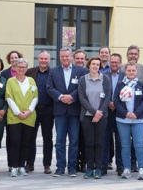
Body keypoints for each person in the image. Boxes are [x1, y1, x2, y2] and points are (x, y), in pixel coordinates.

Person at [47, 48, 84, 178]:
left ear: (72, 57)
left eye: (67, 56)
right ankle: (60, 168)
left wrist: (71, 97)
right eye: (62, 56)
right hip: (60, 110)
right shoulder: (53, 71)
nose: (65, 58)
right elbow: (49, 88)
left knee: (74, 141)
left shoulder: (80, 71)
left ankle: (72, 168)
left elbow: (82, 88)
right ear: (59, 57)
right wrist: (62, 96)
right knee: (59, 141)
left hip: (74, 110)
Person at [78, 56, 112, 178]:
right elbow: (82, 98)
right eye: (93, 64)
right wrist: (94, 112)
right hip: (87, 116)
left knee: (99, 143)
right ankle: (89, 168)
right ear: (89, 65)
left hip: (101, 116)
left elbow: (107, 96)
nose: (95, 66)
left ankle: (98, 168)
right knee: (89, 143)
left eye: (98, 64)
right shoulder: (83, 79)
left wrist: (99, 113)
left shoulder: (105, 79)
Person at [114, 62, 143, 180]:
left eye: (133, 70)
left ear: (136, 71)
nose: (131, 72)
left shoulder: (141, 85)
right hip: (123, 119)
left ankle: (141, 169)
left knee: (139, 145)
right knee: (125, 145)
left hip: (137, 120)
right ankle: (127, 169)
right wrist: (126, 113)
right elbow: (116, 100)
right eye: (129, 70)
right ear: (125, 71)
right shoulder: (120, 84)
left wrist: (135, 113)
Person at [5, 59, 38, 177]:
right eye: (19, 67)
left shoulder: (31, 80)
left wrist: (29, 111)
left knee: (25, 142)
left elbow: (35, 97)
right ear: (14, 67)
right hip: (15, 117)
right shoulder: (10, 81)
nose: (21, 69)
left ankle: (21, 166)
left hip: (29, 116)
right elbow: (9, 97)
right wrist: (18, 112)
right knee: (15, 141)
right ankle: (13, 166)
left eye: (24, 67)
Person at [27, 51, 54, 174]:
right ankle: (30, 164)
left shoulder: (53, 73)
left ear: (49, 60)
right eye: (41, 58)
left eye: (46, 59)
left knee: (47, 138)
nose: (43, 61)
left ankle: (47, 165)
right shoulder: (30, 72)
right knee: (30, 137)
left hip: (48, 109)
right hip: (32, 109)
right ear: (38, 59)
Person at [104, 53, 123, 175]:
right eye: (112, 62)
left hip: (120, 111)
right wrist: (108, 102)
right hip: (106, 111)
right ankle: (103, 165)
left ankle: (120, 166)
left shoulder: (125, 76)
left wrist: (115, 103)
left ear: (120, 63)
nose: (114, 64)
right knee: (105, 139)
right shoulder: (104, 75)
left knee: (120, 140)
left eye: (116, 62)